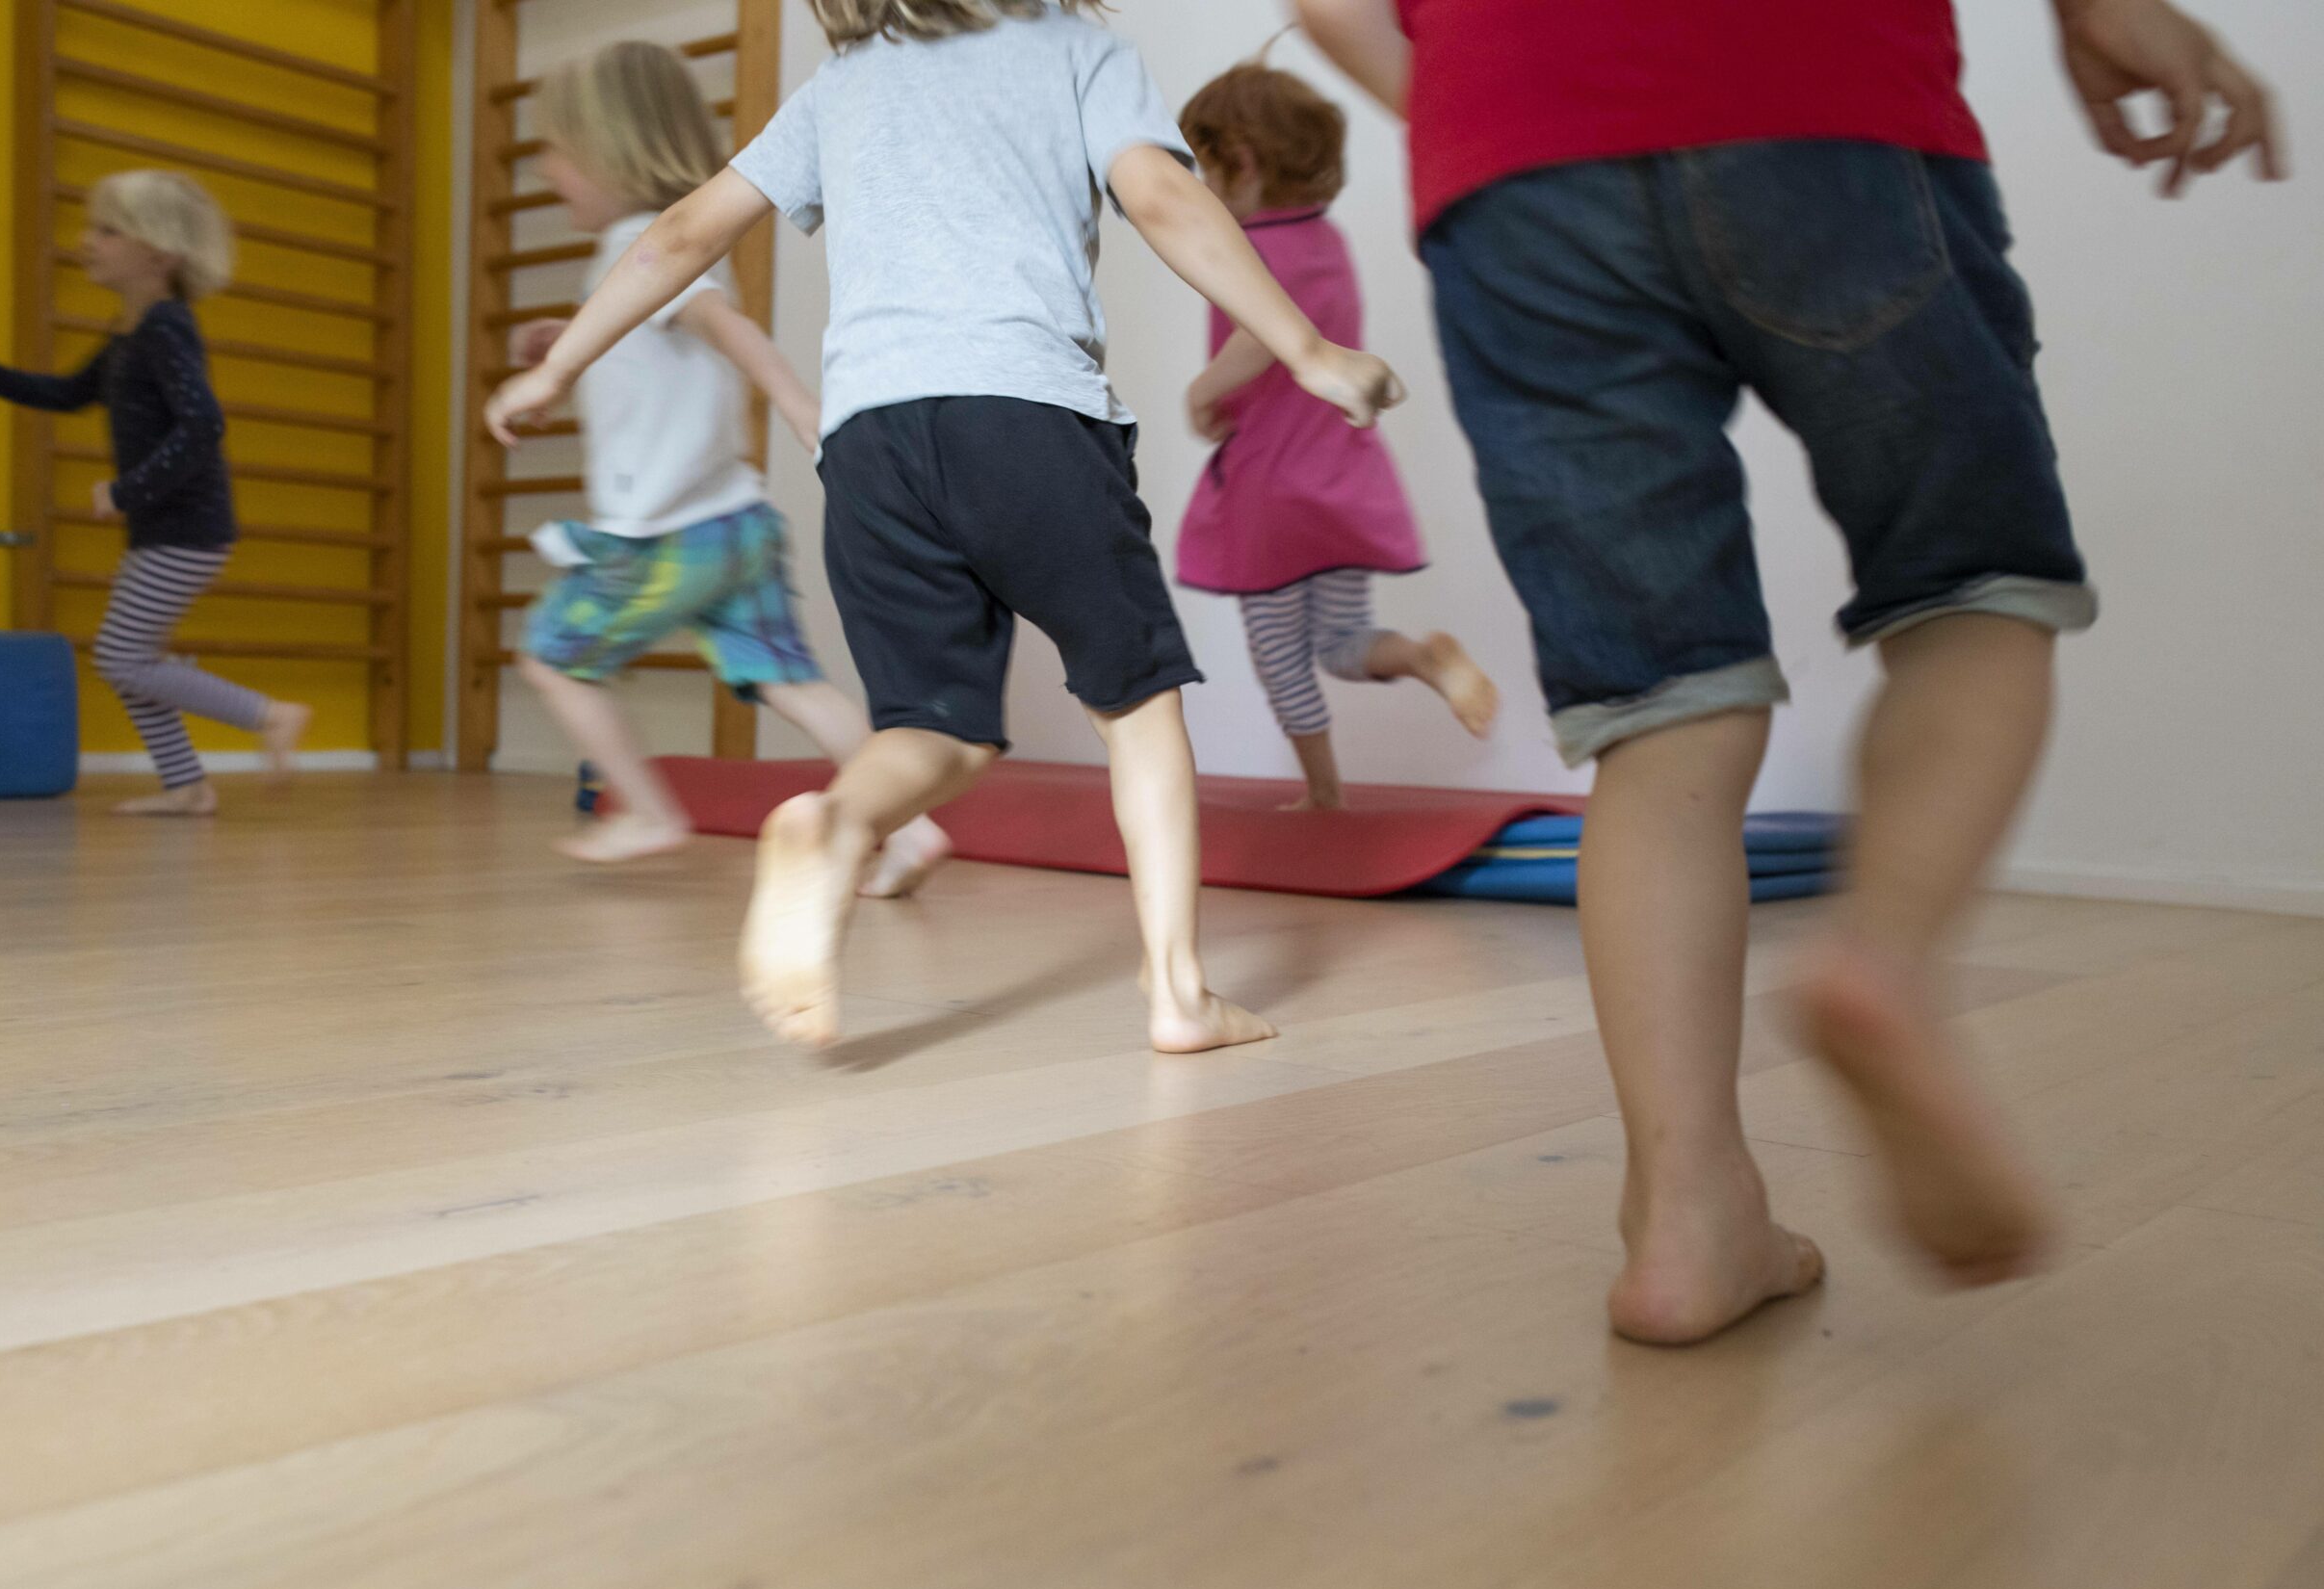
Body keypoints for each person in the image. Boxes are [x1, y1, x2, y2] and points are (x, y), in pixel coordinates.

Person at [1293, 0, 2285, 1343]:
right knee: (1974, 589)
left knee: (1657, 705)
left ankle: (1685, 1219)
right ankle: (1878, 958)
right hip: (1821, 94)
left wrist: (1505, 111)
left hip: (1513, 171)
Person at [488, 0, 1403, 1053]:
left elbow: (684, 232)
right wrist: (1305, 349)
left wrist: (558, 366)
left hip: (869, 444)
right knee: (1137, 706)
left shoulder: (841, 86)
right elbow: (1160, 193)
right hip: (1026, 420)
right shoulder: (1077, 51)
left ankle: (837, 824)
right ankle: (1178, 995)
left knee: (934, 729)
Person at [510, 41, 950, 890]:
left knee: (553, 658)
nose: (546, 167)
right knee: (795, 682)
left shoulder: (642, 245)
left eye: (557, 148)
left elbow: (719, 324)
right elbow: (660, 343)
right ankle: (910, 826)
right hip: (736, 523)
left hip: (663, 534)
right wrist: (562, 344)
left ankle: (644, 808)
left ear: (609, 151)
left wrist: (793, 400)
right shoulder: (656, 248)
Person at [1175, 55, 1496, 811]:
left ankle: (1323, 791)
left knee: (1279, 652)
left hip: (1274, 485)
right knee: (1344, 639)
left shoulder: (1250, 250)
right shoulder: (1326, 240)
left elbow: (1260, 339)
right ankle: (1422, 657)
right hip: (1344, 477)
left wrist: (1202, 392)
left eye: (1205, 170)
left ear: (1243, 163)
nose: (1201, 190)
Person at [0, 169, 311, 816]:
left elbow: (204, 424)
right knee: (132, 658)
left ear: (159, 254)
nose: (87, 240)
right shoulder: (129, 335)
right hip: (167, 528)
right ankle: (187, 784)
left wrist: (128, 489)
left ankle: (269, 714)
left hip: (188, 527)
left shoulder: (167, 329)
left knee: (120, 655)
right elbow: (66, 393)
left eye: (107, 230)